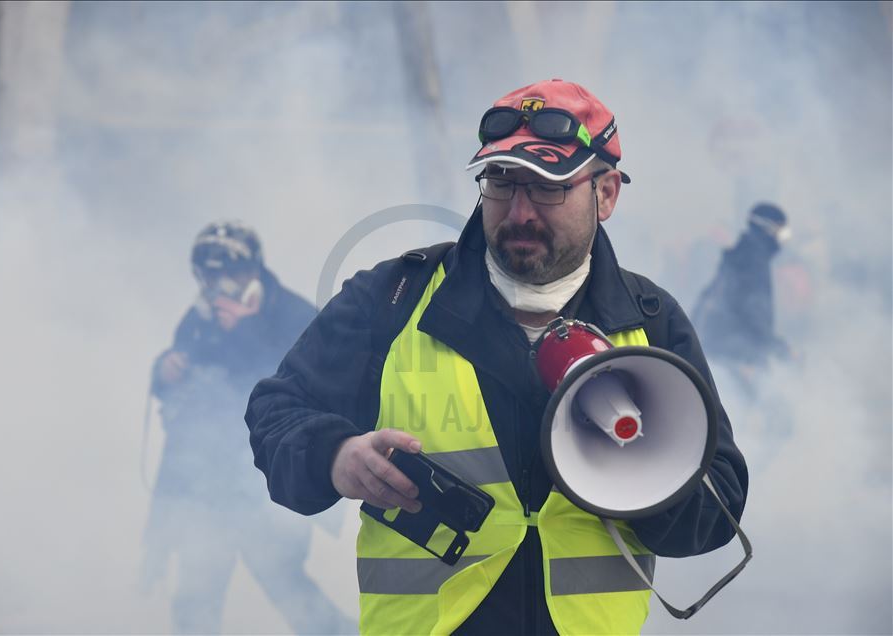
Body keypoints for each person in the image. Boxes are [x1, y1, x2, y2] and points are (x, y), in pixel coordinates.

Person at [246, 80, 749, 635]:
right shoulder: (393, 299)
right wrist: (335, 455)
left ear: (606, 194)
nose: (520, 212)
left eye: (547, 188)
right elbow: (277, 412)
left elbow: (716, 507)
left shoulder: (652, 323)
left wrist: (646, 473)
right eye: (500, 184)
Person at [141, 220, 350, 634]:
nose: (220, 285)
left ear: (254, 270)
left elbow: (310, 389)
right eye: (210, 275)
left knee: (290, 590)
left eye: (231, 273)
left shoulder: (292, 315)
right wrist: (163, 374)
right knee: (195, 600)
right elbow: (185, 412)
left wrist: (246, 331)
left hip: (265, 486)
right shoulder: (199, 321)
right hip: (206, 491)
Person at [691, 203, 793, 393]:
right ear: (770, 229)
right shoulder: (753, 260)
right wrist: (779, 349)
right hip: (735, 358)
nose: (784, 240)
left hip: (718, 352)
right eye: (783, 233)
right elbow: (753, 313)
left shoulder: (739, 255)